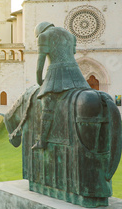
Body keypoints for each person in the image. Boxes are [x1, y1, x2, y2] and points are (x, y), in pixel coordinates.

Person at [32, 22, 91, 150]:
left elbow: (40, 63)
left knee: (47, 104)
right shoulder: (71, 36)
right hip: (76, 74)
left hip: (57, 73)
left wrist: (39, 80)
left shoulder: (44, 36)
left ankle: (42, 141)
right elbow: (71, 53)